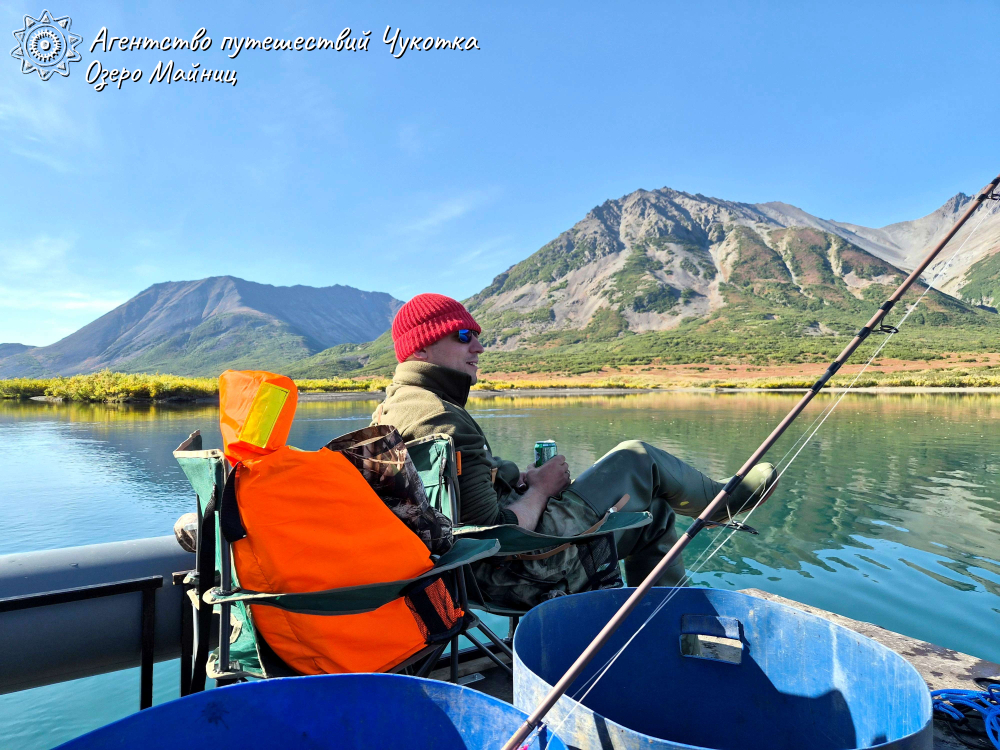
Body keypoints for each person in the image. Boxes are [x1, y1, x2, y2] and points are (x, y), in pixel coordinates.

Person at [374, 293, 778, 609]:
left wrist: (510, 474)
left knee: (653, 515)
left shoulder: (392, 409)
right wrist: (542, 489)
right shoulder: (442, 418)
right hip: (518, 570)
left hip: (456, 577)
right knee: (637, 457)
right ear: (421, 349)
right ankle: (720, 503)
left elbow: (455, 505)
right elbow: (495, 532)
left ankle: (655, 615)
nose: (478, 347)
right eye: (464, 336)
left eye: (478, 336)